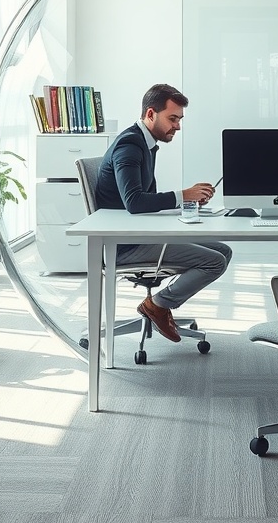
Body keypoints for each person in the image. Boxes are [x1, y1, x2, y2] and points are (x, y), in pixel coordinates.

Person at [95, 83, 232, 343]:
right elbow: (134, 202)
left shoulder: (147, 143)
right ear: (150, 114)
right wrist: (183, 195)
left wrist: (187, 201)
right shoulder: (129, 146)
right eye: (172, 118)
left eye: (179, 119)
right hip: (125, 244)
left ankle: (158, 303)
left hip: (140, 233)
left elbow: (146, 199)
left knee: (224, 250)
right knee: (214, 261)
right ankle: (157, 304)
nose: (177, 126)